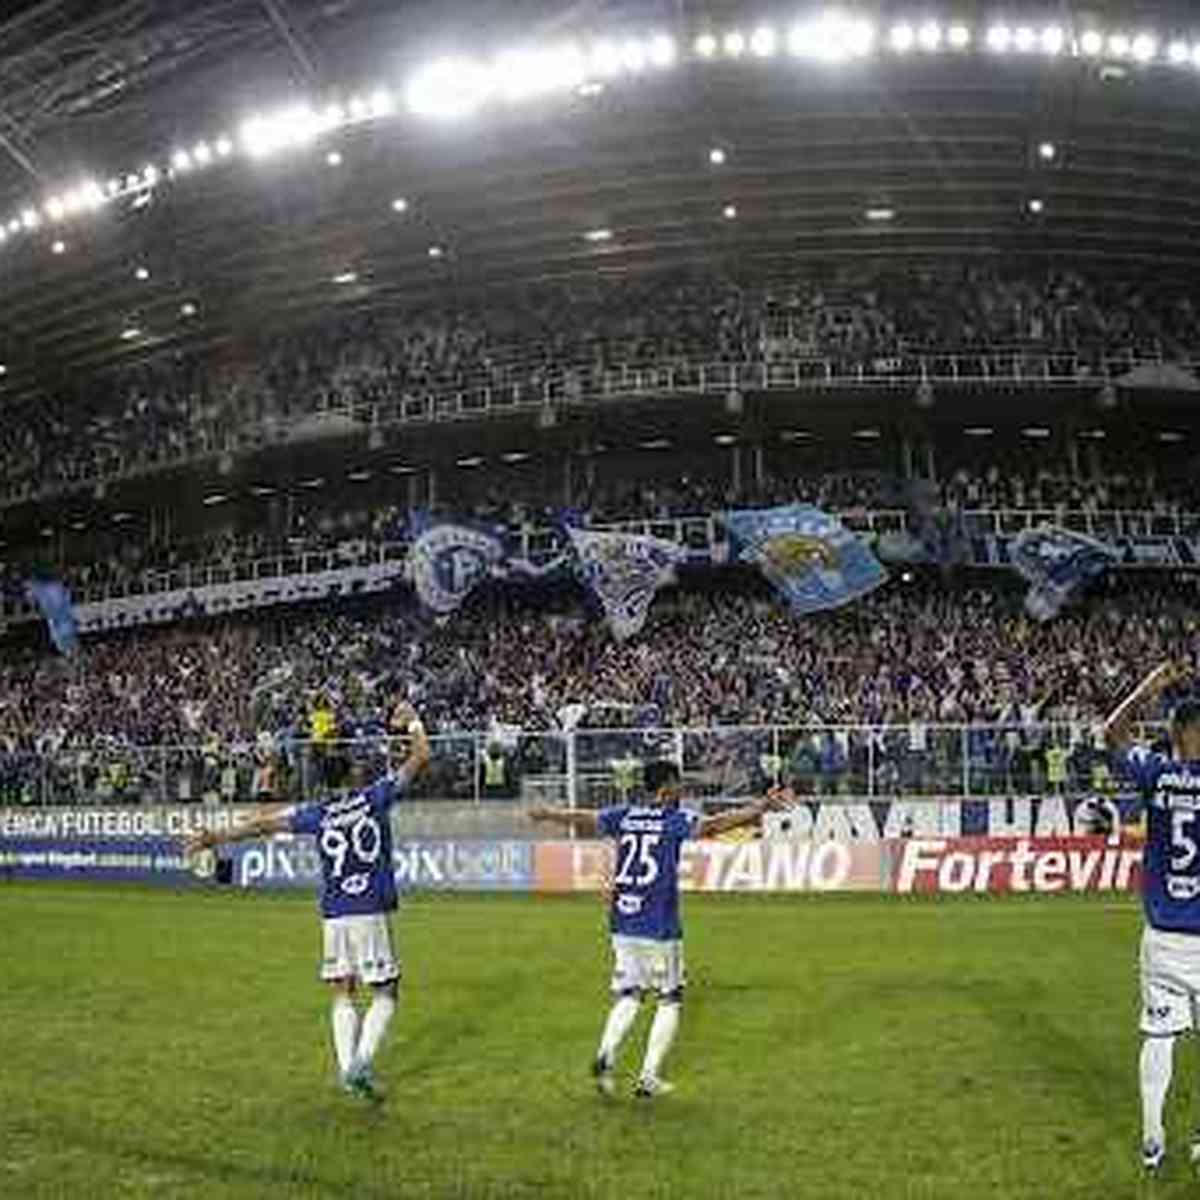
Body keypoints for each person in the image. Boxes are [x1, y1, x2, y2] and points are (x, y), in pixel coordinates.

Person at [184, 699, 430, 1101]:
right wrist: (412, 721)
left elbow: (264, 824)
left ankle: (344, 1068)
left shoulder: (316, 812)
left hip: (334, 913)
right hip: (369, 906)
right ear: (353, 773)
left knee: (342, 991)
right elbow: (422, 756)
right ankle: (361, 1064)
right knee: (386, 991)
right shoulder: (375, 796)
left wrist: (215, 837)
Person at [528, 760, 787, 1100]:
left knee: (630, 993)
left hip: (622, 920)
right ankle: (648, 1076)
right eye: (678, 785)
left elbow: (585, 817)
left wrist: (548, 813)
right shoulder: (673, 820)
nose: (682, 791)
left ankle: (606, 1056)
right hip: (659, 924)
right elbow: (713, 825)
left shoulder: (625, 814)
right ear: (665, 788)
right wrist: (760, 807)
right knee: (670, 997)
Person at [1103, 660, 1199, 1172]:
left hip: (1163, 936)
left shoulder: (1157, 775)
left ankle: (1152, 1138)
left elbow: (1111, 733)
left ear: (1179, 733)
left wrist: (1145, 688)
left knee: (1159, 1036)